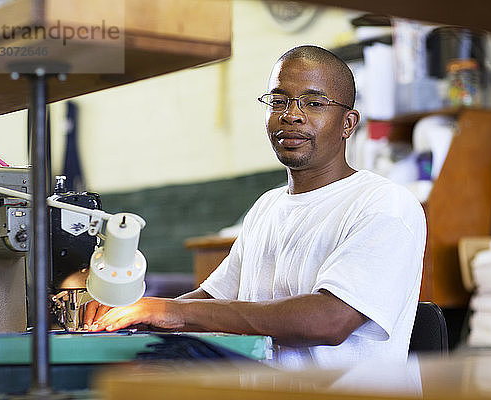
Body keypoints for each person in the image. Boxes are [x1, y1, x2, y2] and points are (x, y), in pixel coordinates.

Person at [85, 45, 426, 370]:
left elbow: (329, 320)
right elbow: (212, 299)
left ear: (348, 123)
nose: (291, 115)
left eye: (314, 103)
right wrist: (133, 311)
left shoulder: (384, 205)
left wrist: (171, 311)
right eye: (278, 101)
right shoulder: (267, 207)